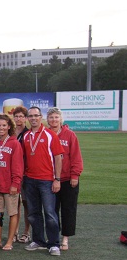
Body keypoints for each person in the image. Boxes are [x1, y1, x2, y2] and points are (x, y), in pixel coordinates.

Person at [22, 106, 64, 256]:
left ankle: (54, 244)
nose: (33, 118)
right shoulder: (26, 136)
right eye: (30, 116)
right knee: (33, 213)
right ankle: (39, 240)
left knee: (50, 213)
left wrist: (57, 179)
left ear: (41, 117)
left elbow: (58, 157)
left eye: (36, 116)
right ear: (28, 118)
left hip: (47, 180)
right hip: (30, 180)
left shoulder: (50, 135)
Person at [47, 107, 83, 251]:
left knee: (68, 209)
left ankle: (65, 238)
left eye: (56, 117)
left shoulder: (70, 135)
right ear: (47, 119)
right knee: (52, 210)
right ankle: (53, 237)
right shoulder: (46, 134)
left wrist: (75, 175)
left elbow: (76, 156)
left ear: (61, 119)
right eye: (51, 117)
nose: (54, 120)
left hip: (68, 179)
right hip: (50, 179)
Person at [0, 114, 24, 251]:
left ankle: (9, 241)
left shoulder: (14, 143)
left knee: (12, 213)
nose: (1, 128)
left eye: (4, 125)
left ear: (9, 126)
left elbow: (18, 166)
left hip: (10, 186)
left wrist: (15, 184)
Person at [12, 106, 31, 243]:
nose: (18, 119)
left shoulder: (29, 133)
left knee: (26, 203)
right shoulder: (10, 132)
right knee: (14, 204)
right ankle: (15, 232)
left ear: (25, 118)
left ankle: (26, 231)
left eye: (21, 116)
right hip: (12, 173)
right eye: (16, 116)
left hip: (26, 173)